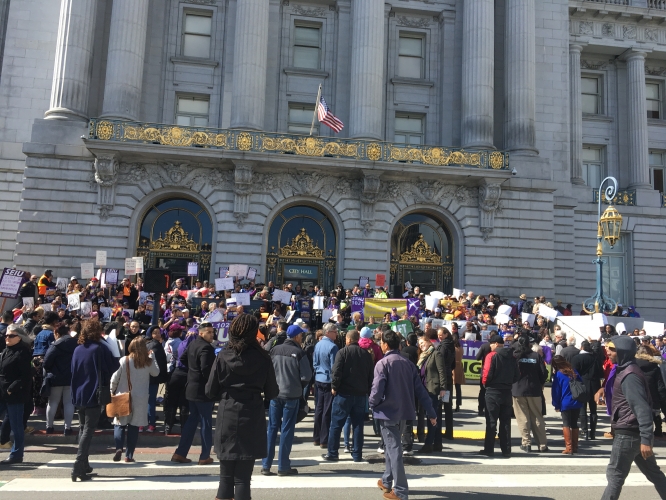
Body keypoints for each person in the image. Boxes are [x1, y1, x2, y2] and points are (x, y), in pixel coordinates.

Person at [206, 314, 279, 500]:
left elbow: (209, 390)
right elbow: (272, 392)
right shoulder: (263, 357)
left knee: (225, 477)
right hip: (252, 412)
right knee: (243, 479)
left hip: (228, 411)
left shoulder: (223, 355)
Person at [370, 330, 436, 500]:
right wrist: (431, 411)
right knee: (392, 447)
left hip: (387, 412)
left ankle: (399, 490)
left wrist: (372, 404)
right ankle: (386, 480)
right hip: (404, 411)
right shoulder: (408, 364)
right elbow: (420, 390)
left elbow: (377, 390)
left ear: (385, 345)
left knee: (393, 450)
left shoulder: (382, 363)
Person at [601, 336, 666, 499]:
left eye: (612, 348)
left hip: (628, 434)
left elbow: (642, 408)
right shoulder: (626, 369)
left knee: (615, 476)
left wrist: (646, 438)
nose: (607, 351)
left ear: (622, 351)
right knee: (654, 474)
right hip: (633, 432)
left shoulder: (630, 375)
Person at [70, 320, 120, 481]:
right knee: (88, 430)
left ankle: (84, 464)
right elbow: (114, 365)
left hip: (79, 393)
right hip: (94, 392)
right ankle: (79, 464)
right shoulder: (99, 348)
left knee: (83, 428)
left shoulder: (77, 349)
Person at [262, 324, 312, 476]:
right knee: (287, 429)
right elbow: (306, 376)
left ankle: (266, 464)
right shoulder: (299, 352)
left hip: (275, 394)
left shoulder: (274, 350)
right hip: (291, 394)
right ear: (297, 337)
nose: (302, 338)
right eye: (301, 335)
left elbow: (267, 371)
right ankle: (283, 466)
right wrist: (297, 385)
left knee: (272, 428)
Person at [322, 329, 374, 463]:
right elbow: (370, 375)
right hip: (361, 394)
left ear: (348, 340)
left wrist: (334, 386)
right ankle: (357, 454)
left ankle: (333, 452)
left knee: (336, 424)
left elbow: (336, 371)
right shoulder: (366, 355)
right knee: (358, 425)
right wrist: (368, 390)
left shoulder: (342, 352)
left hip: (344, 394)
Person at [171, 322, 216, 465]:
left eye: (212, 332)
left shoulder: (193, 344)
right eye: (208, 332)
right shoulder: (206, 348)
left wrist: (192, 371)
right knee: (206, 423)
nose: (212, 334)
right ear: (201, 333)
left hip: (191, 388)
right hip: (202, 390)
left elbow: (182, 359)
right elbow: (206, 369)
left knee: (192, 421)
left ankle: (180, 453)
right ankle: (204, 455)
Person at [110, 337, 160, 462]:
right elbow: (156, 373)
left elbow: (114, 378)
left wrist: (112, 391)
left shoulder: (124, 360)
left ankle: (118, 448)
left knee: (119, 424)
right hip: (141, 398)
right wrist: (153, 357)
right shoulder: (147, 362)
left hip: (123, 396)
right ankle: (129, 455)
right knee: (134, 426)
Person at [480, 334, 519, 457]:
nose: (490, 347)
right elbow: (517, 374)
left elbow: (486, 373)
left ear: (496, 344)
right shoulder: (512, 356)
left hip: (493, 391)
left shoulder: (492, 356)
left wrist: (486, 384)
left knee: (491, 421)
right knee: (505, 422)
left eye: (491, 344)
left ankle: (489, 449)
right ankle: (506, 449)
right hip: (507, 391)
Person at [0, 325, 31, 464]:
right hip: (3, 392)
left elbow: (24, 376)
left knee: (16, 425)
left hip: (15, 394)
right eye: (6, 335)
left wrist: (11, 389)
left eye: (11, 336)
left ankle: (17, 454)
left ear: (19, 337)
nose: (7, 338)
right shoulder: (6, 351)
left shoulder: (22, 352)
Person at [512, 335, 548, 453]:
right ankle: (542, 445)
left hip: (518, 390)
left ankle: (526, 443)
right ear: (529, 344)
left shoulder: (516, 357)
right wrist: (539, 383)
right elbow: (544, 373)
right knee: (537, 416)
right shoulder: (536, 356)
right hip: (534, 390)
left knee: (523, 417)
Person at [415, 332, 446, 455]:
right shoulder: (424, 355)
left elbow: (441, 372)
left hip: (433, 389)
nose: (421, 345)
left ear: (428, 341)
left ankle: (428, 445)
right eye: (419, 344)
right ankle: (438, 443)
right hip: (425, 389)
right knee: (435, 416)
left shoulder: (436, 354)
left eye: (422, 343)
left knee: (431, 417)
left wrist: (443, 388)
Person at [43, 324, 78, 435]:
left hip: (56, 377)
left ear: (57, 333)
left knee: (52, 402)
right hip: (71, 377)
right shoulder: (76, 343)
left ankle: (49, 427)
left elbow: (46, 362)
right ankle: (67, 428)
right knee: (69, 403)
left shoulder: (55, 345)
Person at [312, 323, 339, 448]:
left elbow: (315, 362)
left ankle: (316, 437)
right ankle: (324, 439)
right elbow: (335, 367)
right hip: (328, 380)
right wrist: (335, 384)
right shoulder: (333, 347)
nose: (337, 333)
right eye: (335, 331)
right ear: (328, 332)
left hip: (319, 378)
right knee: (326, 410)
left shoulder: (318, 344)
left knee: (319, 408)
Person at [551, 355, 583, 454]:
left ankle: (569, 448)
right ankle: (575, 446)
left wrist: (556, 404)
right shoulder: (574, 372)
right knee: (574, 424)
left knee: (566, 423)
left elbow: (556, 391)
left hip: (565, 402)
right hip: (576, 401)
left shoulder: (558, 374)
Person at [572, 340, 604, 440]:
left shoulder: (576, 358)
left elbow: (573, 373)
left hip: (582, 384)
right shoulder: (596, 358)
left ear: (581, 347)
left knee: (582, 409)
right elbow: (601, 374)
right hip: (594, 384)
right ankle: (593, 433)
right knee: (593, 409)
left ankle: (584, 431)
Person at [145, 325, 168, 433]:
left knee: (146, 401)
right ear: (151, 334)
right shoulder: (156, 346)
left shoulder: (147, 345)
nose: (158, 334)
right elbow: (160, 364)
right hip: (153, 377)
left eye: (159, 332)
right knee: (151, 401)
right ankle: (151, 424)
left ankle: (143, 424)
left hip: (146, 377)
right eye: (155, 333)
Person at [452, 333, 465, 412]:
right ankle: (458, 404)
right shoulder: (460, 348)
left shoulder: (452, 348)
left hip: (452, 367)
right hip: (459, 366)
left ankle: (448, 403)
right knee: (458, 387)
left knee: (449, 387)